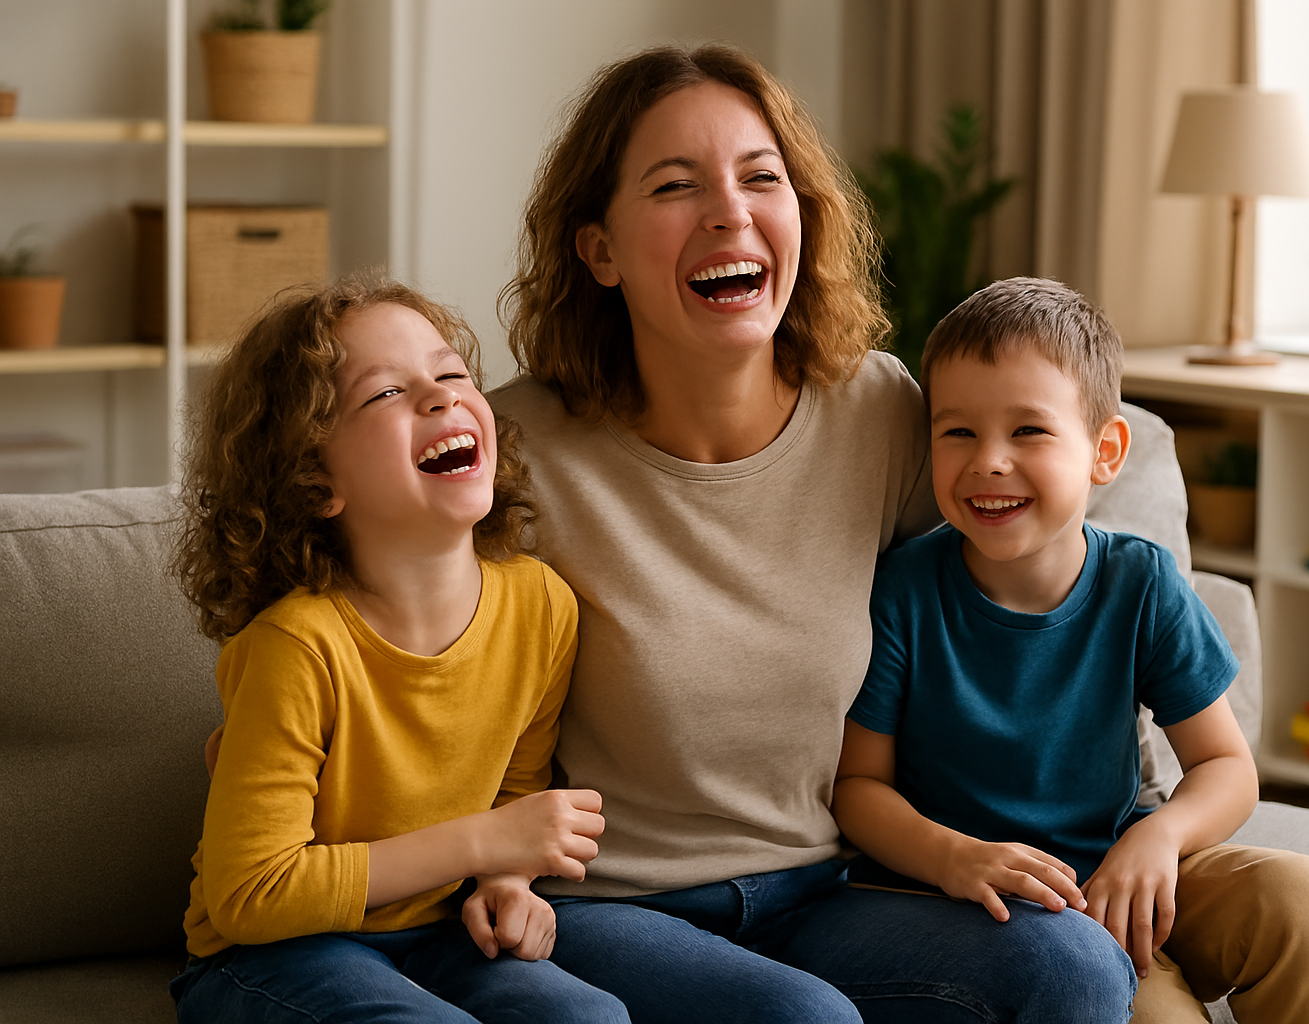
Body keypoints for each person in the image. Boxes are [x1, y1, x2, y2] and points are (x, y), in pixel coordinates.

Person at [485, 44, 1135, 1023]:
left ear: (802, 214)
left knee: (1072, 969)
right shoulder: (513, 448)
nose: (729, 213)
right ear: (599, 250)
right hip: (607, 906)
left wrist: (1137, 817)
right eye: (675, 185)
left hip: (825, 891)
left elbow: (1016, 602)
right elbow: (405, 671)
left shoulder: (876, 411)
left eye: (762, 178)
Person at [832, 277, 1309, 1024]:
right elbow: (858, 788)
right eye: (958, 432)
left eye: (1028, 431)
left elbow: (1225, 765)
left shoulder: (1140, 582)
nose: (988, 460)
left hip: (1127, 864)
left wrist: (1160, 836)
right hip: (1007, 912)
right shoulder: (904, 593)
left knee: (1304, 898)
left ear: (1104, 451)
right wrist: (953, 857)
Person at [169, 276, 628, 1024]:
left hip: (435, 933)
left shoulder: (541, 606)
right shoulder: (298, 646)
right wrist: (487, 840)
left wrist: (507, 881)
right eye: (385, 394)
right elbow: (251, 894)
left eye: (451, 374)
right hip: (267, 955)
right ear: (316, 481)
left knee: (590, 1018)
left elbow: (517, 789)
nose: (443, 397)